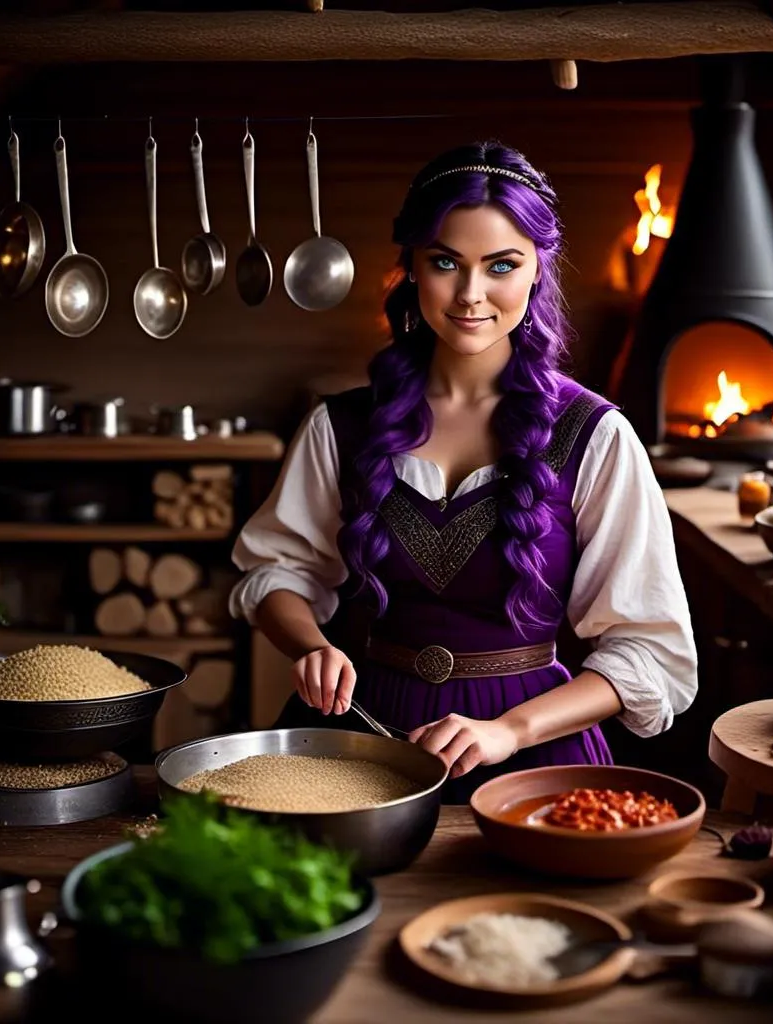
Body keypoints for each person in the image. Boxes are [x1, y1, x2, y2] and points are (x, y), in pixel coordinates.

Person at [229, 141, 698, 803]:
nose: (471, 294)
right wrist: (309, 645)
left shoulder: (595, 437)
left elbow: (648, 655)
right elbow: (278, 572)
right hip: (362, 739)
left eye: (501, 265)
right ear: (412, 269)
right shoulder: (340, 426)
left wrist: (508, 730)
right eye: (445, 262)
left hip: (535, 753)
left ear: (537, 271)